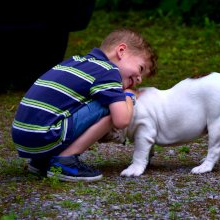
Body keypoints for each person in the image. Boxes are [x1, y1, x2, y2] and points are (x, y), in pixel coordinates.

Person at [11, 28, 158, 182]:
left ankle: (42, 161)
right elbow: (121, 120)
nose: (139, 79)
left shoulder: (75, 62)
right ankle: (65, 161)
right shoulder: (109, 72)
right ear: (121, 51)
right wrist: (127, 95)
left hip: (24, 137)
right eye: (140, 69)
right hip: (44, 135)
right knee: (110, 106)